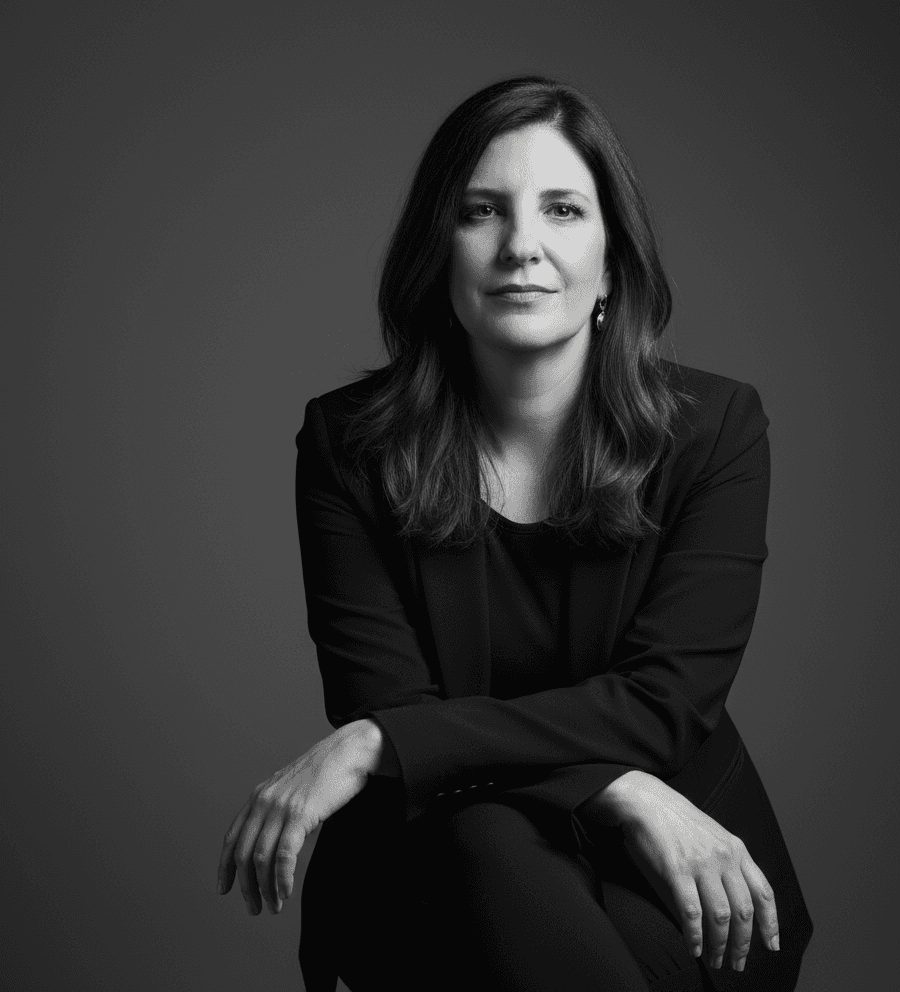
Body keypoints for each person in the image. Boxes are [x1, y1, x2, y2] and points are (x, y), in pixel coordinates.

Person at [217, 75, 814, 991]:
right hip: (433, 863)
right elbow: (391, 698)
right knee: (484, 838)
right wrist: (612, 785)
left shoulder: (716, 431)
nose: (521, 245)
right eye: (482, 211)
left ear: (611, 262)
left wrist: (378, 744)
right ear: (438, 254)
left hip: (682, 871)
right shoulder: (349, 445)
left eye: (562, 210)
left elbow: (662, 705)